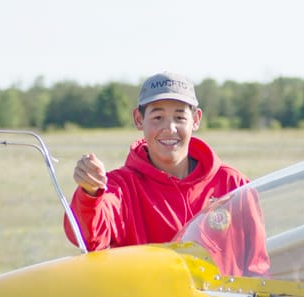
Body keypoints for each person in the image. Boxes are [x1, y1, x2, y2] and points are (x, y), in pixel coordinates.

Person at [64, 71, 252, 252]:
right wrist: (90, 193)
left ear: (195, 119)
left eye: (179, 117)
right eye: (157, 117)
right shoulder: (119, 189)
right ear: (139, 120)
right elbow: (90, 238)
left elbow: (256, 263)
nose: (169, 128)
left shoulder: (234, 185)